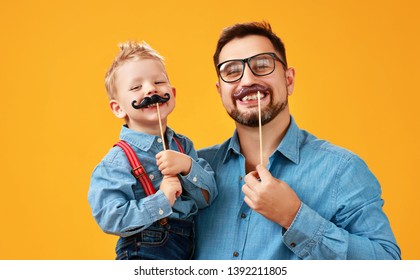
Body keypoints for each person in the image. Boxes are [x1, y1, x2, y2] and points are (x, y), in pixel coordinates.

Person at [194, 21, 400, 260]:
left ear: (289, 80)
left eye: (262, 65)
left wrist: (294, 217)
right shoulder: (195, 170)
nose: (247, 80)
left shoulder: (342, 169)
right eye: (231, 71)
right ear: (220, 91)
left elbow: (389, 265)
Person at [88, 41, 217, 260]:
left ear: (172, 94)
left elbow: (208, 197)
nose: (151, 89)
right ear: (118, 108)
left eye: (159, 81)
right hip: (146, 252)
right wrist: (162, 200)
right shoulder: (118, 160)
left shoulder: (183, 146)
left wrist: (188, 167)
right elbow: (110, 217)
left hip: (189, 249)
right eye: (136, 87)